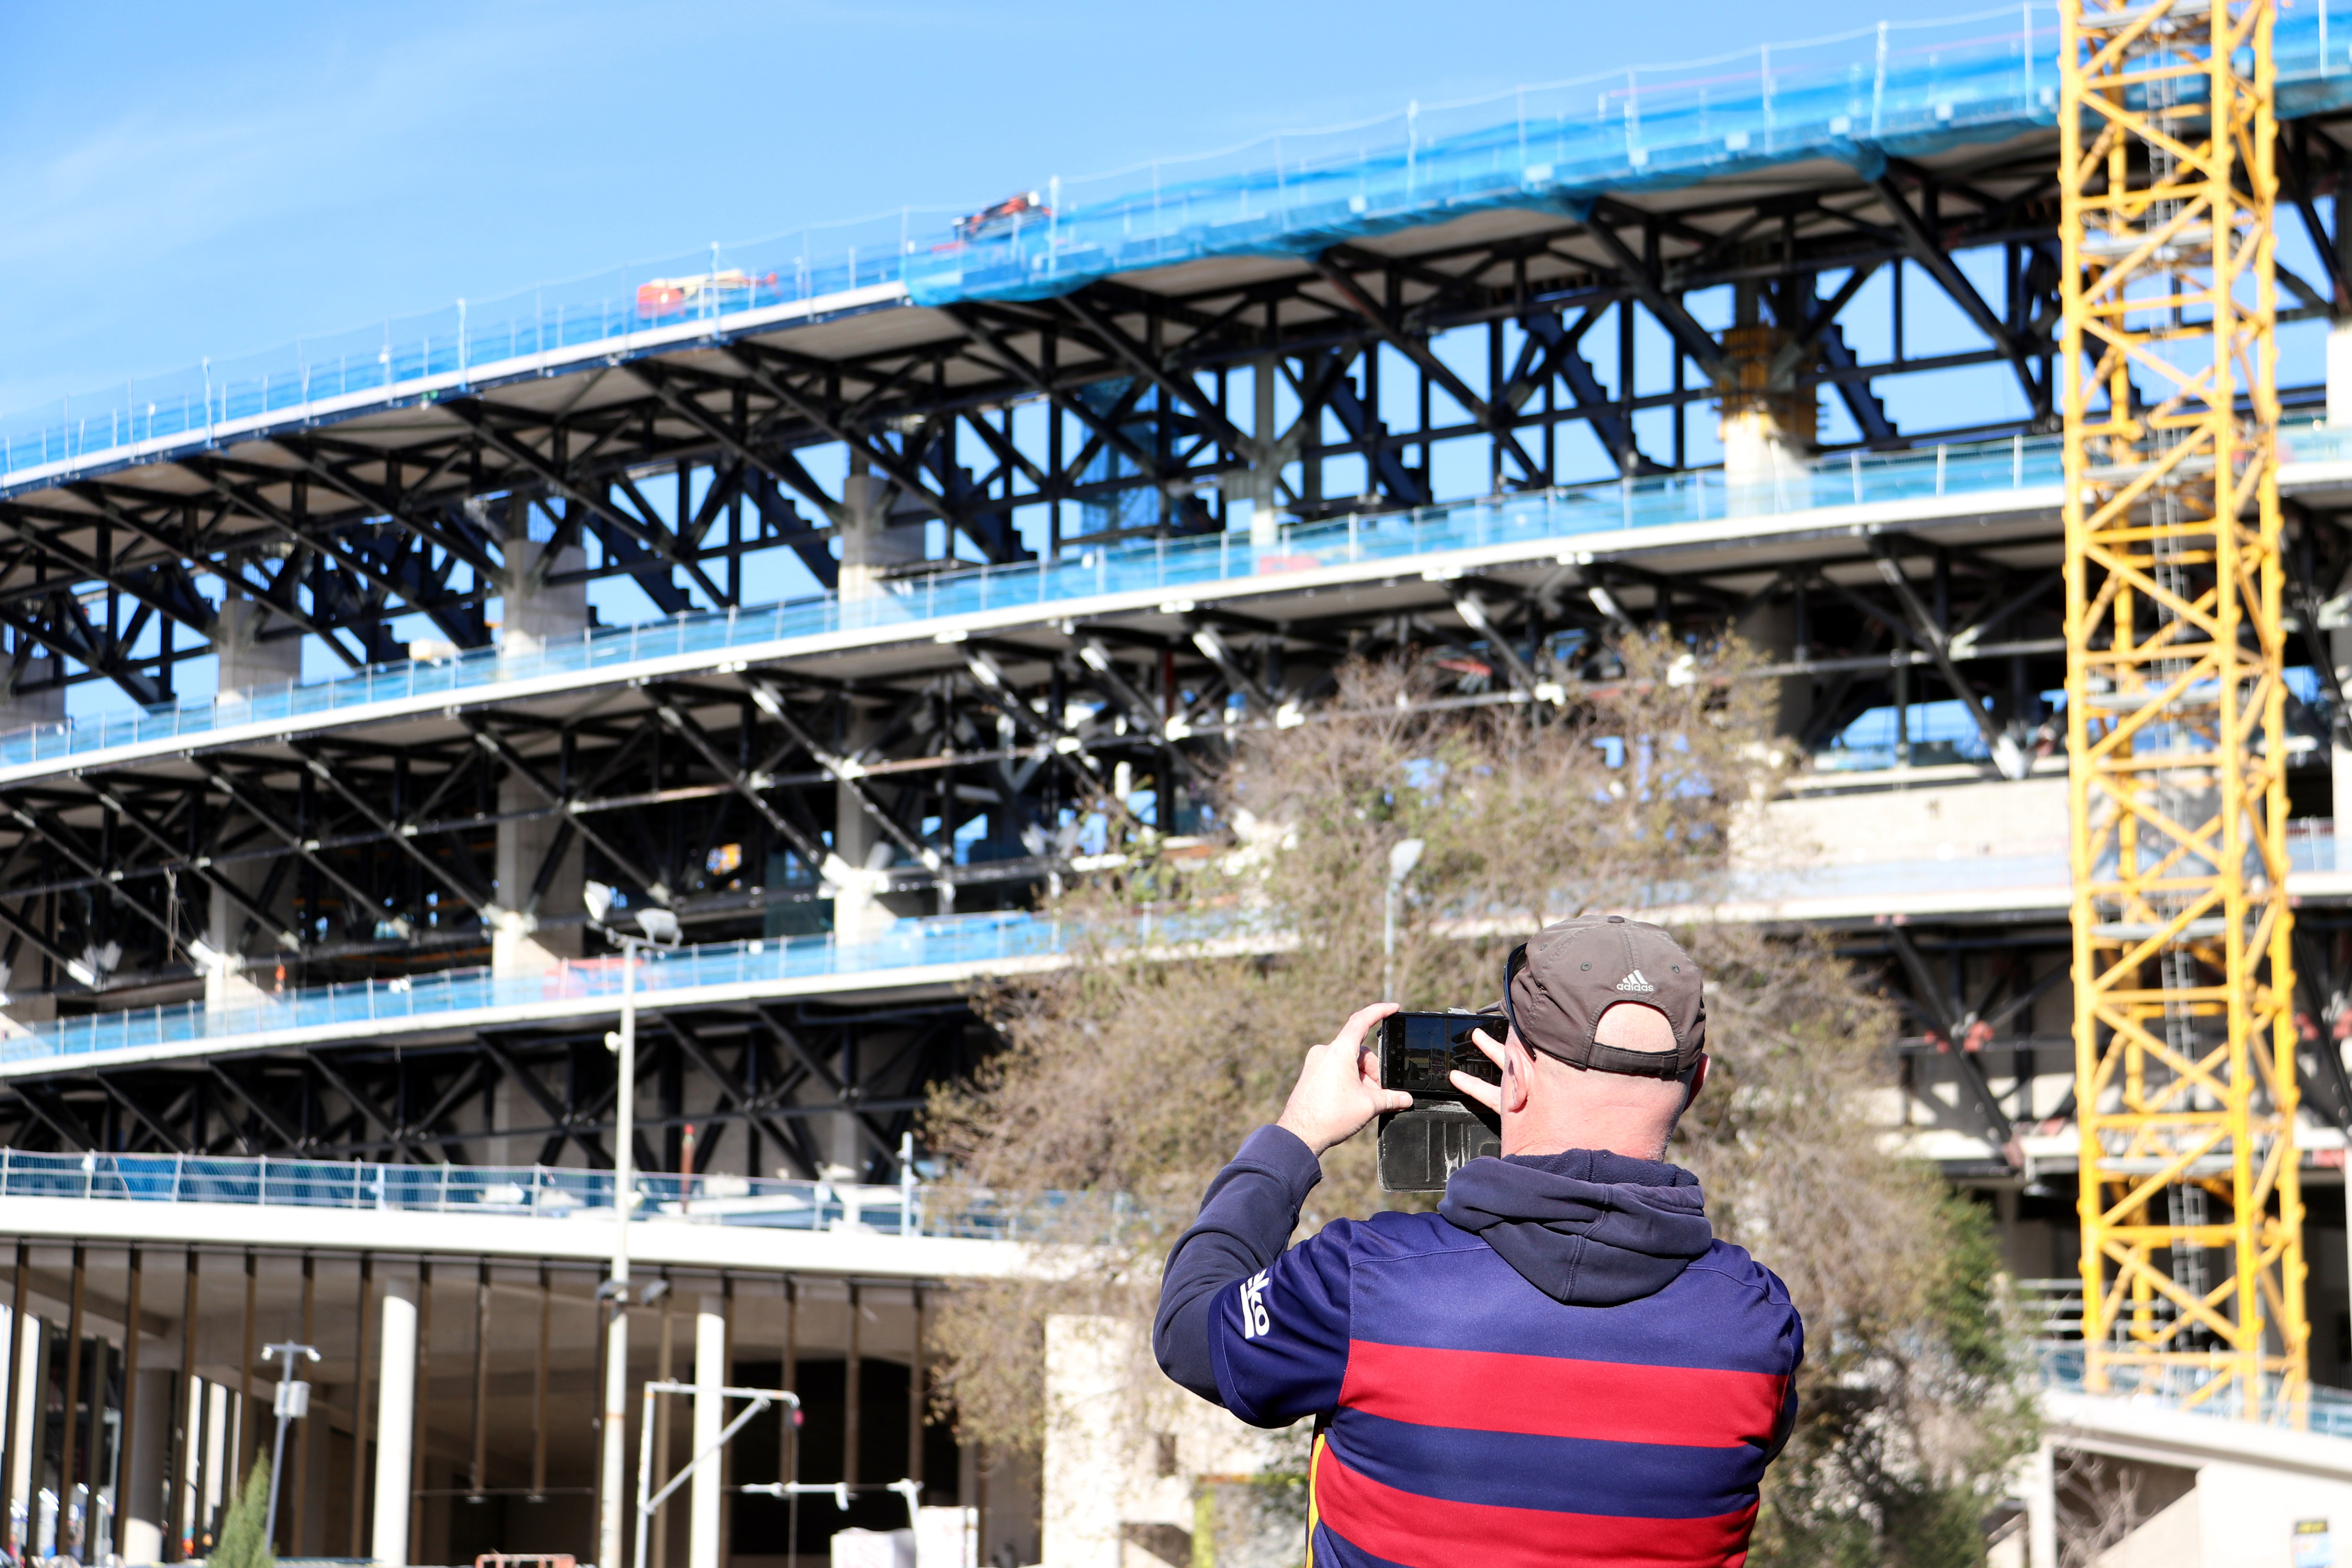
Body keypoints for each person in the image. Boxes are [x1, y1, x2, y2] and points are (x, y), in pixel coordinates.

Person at [1155, 914, 1801, 1565]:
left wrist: (1293, 1137)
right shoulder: (1758, 1327)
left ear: (1511, 1072)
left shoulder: (1363, 1285)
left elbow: (1189, 1331)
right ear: (1698, 1081)